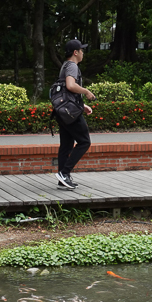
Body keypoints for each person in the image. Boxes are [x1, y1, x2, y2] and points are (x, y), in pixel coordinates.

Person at [54, 39, 96, 190]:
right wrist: (86, 92)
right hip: (70, 113)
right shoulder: (72, 66)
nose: (83, 53)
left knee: (66, 145)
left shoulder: (65, 66)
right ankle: (64, 173)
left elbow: (66, 92)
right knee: (84, 142)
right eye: (81, 50)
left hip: (62, 111)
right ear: (75, 52)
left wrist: (82, 106)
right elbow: (71, 86)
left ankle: (63, 180)